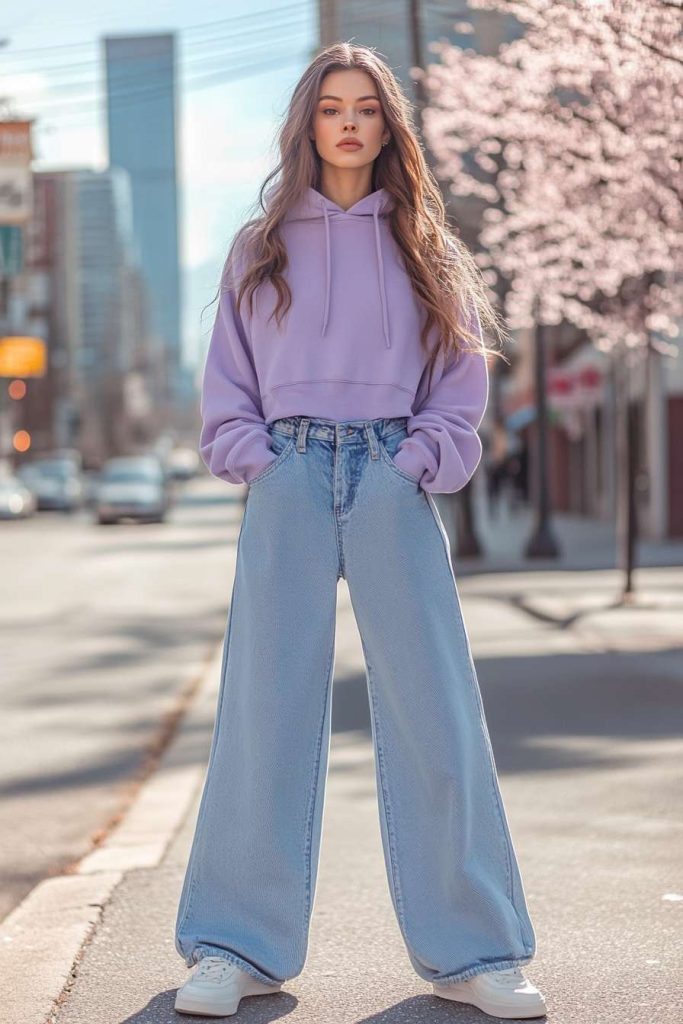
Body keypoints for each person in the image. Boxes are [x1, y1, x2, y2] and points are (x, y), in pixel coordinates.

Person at [174, 42, 546, 1021]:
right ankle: (232, 948)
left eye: (366, 109)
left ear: (387, 126)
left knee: (434, 710)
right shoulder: (258, 245)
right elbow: (226, 383)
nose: (348, 123)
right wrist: (256, 457)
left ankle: (475, 951)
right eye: (331, 107)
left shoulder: (425, 244)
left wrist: (419, 458)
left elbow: (460, 378)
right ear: (306, 124)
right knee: (264, 711)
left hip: (389, 475)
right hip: (289, 475)